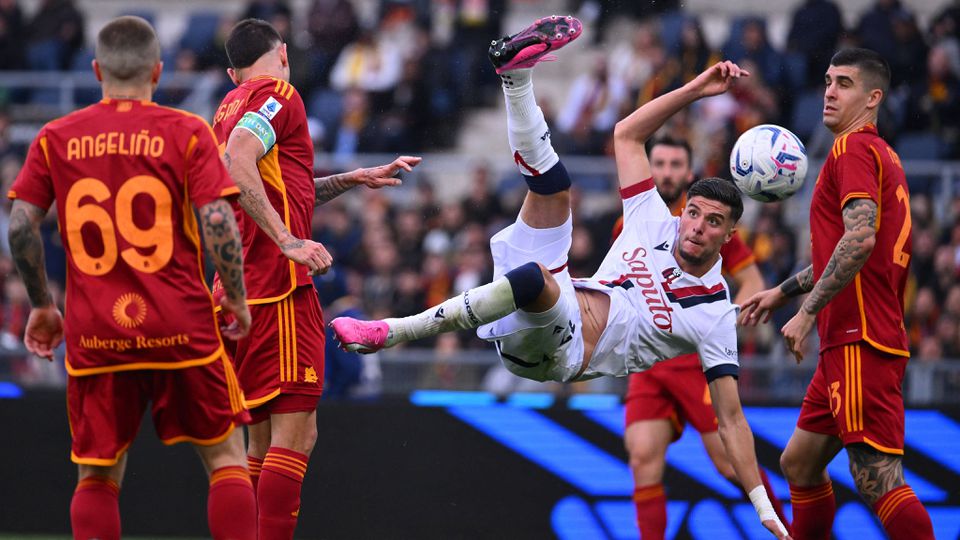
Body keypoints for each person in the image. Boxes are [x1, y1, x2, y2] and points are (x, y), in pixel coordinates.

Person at [332, 15, 790, 539]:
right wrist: (696, 88)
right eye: (695, 213)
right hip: (562, 296)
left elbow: (732, 420)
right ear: (683, 209)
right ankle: (515, 77)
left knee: (534, 280)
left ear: (731, 236)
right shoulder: (651, 219)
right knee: (553, 186)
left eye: (715, 222)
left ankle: (390, 332)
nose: (699, 228)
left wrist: (762, 506)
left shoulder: (713, 313)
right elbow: (625, 134)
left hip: (561, 351)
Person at [7, 16, 255, 539]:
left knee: (96, 473)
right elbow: (216, 219)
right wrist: (235, 297)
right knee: (227, 457)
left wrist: (42, 306)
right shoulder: (186, 132)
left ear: (96, 70)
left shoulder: (55, 139)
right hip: (181, 325)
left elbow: (21, 225)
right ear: (158, 72)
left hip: (98, 332)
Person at [212, 18, 419, 538]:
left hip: (238, 290)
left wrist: (352, 178)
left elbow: (274, 181)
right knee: (296, 437)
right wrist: (287, 241)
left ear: (230, 71)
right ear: (282, 54)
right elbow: (241, 160)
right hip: (277, 287)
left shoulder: (228, 106)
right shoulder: (280, 92)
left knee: (259, 448)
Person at [739, 48, 935, 540]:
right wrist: (781, 293)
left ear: (873, 98)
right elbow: (842, 249)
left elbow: (861, 239)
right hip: (851, 338)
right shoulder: (879, 154)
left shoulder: (853, 151)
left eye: (843, 83)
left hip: (858, 337)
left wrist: (806, 314)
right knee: (800, 462)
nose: (828, 91)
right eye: (827, 80)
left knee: (879, 481)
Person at [613, 135, 788, 537]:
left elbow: (752, 283)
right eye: (659, 163)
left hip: (694, 363)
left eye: (676, 165)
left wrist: (715, 326)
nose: (666, 172)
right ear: (649, 168)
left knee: (729, 464)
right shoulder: (631, 221)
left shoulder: (712, 223)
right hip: (648, 362)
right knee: (641, 458)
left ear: (688, 173)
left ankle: (790, 530)